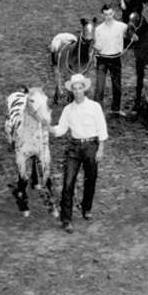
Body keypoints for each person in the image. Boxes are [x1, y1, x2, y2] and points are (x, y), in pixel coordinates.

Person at [49, 73, 108, 233]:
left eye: (80, 88)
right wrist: (48, 127)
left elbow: (102, 128)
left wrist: (100, 148)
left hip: (91, 146)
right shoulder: (68, 109)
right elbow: (61, 129)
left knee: (91, 179)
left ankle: (86, 208)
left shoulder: (95, 107)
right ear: (71, 91)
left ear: (85, 89)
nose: (77, 91)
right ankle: (66, 218)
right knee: (68, 182)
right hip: (74, 147)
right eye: (74, 89)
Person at [92, 4, 126, 117]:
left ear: (114, 13)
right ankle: (97, 111)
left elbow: (132, 31)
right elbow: (97, 45)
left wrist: (133, 36)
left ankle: (116, 109)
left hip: (116, 58)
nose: (108, 16)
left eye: (110, 14)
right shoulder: (98, 29)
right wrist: (95, 48)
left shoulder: (121, 26)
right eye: (106, 14)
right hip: (102, 59)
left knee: (117, 85)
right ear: (102, 15)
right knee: (100, 87)